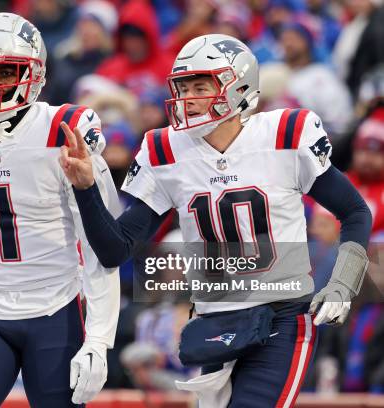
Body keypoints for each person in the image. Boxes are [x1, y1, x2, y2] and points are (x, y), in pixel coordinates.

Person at [59, 33, 372, 407]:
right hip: (214, 323)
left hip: (282, 318)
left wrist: (343, 284)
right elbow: (114, 250)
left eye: (201, 85)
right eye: (183, 86)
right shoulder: (165, 149)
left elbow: (355, 211)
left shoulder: (286, 135)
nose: (188, 98)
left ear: (239, 87)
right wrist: (85, 188)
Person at [0, 12, 121, 408]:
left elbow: (104, 244)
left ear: (34, 71)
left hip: (55, 306)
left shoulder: (62, 130)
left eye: (4, 71)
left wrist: (99, 337)